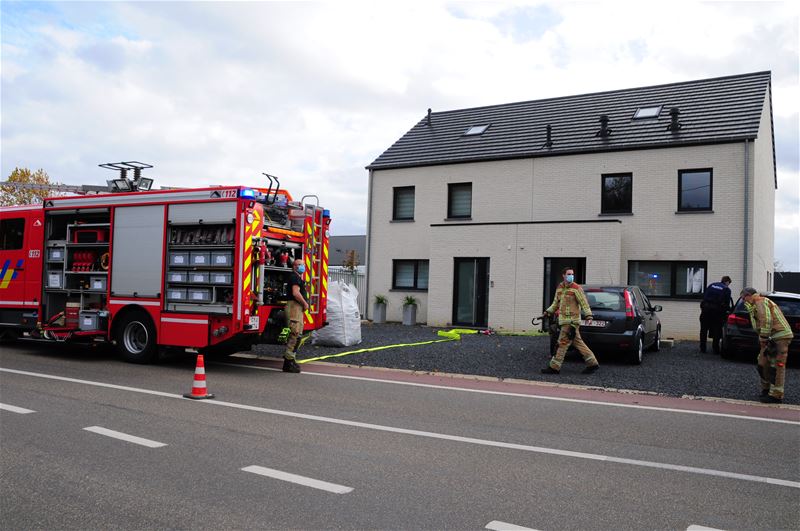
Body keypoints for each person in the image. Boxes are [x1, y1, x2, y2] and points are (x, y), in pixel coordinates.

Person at [541, 267, 599, 374]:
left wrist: (589, 316)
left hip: (571, 322)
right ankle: (593, 363)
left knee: (562, 343)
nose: (571, 276)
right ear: (563, 275)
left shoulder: (576, 288)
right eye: (568, 274)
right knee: (578, 343)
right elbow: (555, 303)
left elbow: (584, 303)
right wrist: (547, 312)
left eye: (572, 274)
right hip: (564, 321)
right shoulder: (559, 288)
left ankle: (554, 367)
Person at [740, 288, 793, 404]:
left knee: (776, 364)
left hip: (779, 337)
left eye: (744, 298)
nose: (743, 301)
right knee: (762, 362)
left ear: (749, 295)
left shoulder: (761, 301)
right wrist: (764, 337)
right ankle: (767, 389)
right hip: (771, 337)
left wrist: (763, 337)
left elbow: (766, 320)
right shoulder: (755, 305)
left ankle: (776, 395)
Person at [283, 258, 309, 373]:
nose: (301, 266)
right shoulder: (294, 277)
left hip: (297, 308)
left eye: (302, 264)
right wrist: (305, 303)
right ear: (294, 266)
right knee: (294, 334)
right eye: (299, 264)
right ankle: (288, 364)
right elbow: (295, 293)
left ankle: (291, 360)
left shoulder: (298, 277)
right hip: (294, 307)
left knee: (298, 335)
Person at [699, 275, 733, 354]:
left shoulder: (712, 285)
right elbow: (727, 303)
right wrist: (727, 310)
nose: (728, 285)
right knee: (716, 330)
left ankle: (702, 348)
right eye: (729, 283)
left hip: (705, 310)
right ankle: (715, 349)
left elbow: (704, 296)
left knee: (703, 330)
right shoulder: (726, 289)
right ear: (727, 282)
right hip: (717, 312)